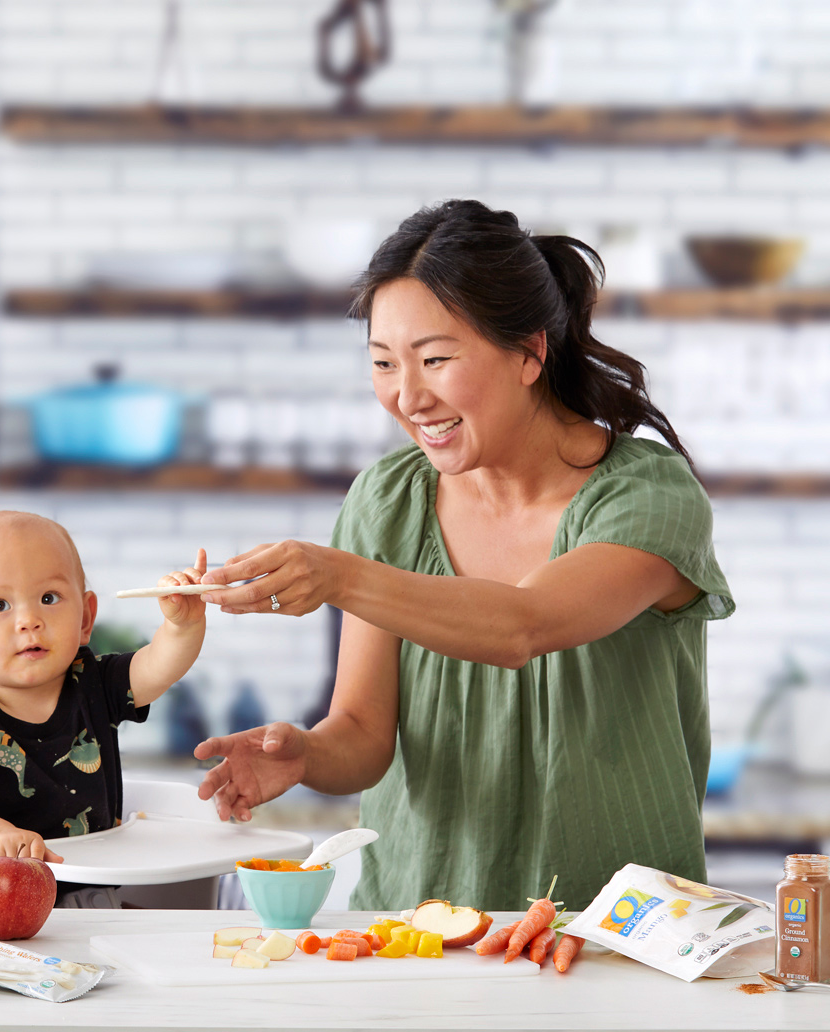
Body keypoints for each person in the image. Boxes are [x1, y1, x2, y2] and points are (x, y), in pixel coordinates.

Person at [194, 199, 734, 914]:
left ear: (529, 353)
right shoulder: (388, 501)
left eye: (436, 360)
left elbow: (524, 627)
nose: (407, 397)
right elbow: (361, 732)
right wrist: (306, 757)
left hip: (616, 935)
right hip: (419, 923)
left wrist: (338, 574)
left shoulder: (647, 497)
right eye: (384, 364)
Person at [0, 510, 207, 879]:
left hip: (96, 887)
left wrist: (183, 625)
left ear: (85, 619)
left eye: (49, 597)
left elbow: (160, 667)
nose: (29, 620)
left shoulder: (95, 683)